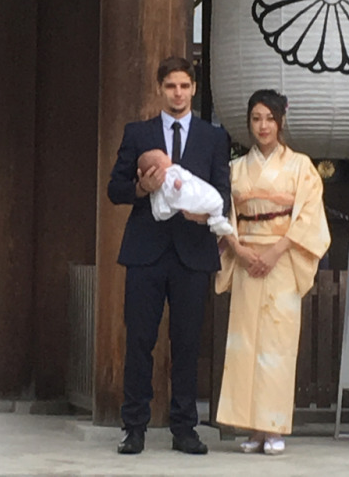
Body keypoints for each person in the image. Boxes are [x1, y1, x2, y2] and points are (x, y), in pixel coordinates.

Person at [108, 56, 231, 455]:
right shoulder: (138, 133)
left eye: (184, 85)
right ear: (159, 89)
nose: (177, 93)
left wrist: (208, 213)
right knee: (140, 340)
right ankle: (135, 427)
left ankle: (184, 428)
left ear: (194, 88)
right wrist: (141, 190)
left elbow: (223, 192)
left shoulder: (214, 137)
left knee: (187, 343)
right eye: (170, 86)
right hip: (146, 250)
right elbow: (115, 188)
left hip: (193, 251)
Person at [215, 89, 330, 454]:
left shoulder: (301, 167)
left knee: (278, 345)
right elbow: (224, 215)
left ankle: (274, 425)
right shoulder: (235, 169)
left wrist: (277, 249)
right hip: (248, 255)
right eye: (256, 119)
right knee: (245, 343)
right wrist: (238, 249)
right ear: (248, 123)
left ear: (281, 121)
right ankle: (252, 427)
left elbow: (308, 215)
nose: (263, 126)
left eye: (269, 118)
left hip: (282, 259)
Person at [138, 149, 233, 236]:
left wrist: (205, 217)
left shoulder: (215, 135)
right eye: (164, 156)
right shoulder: (170, 173)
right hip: (152, 235)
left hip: (196, 238)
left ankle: (217, 220)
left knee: (213, 200)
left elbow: (223, 187)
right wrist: (143, 187)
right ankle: (217, 220)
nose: (168, 156)